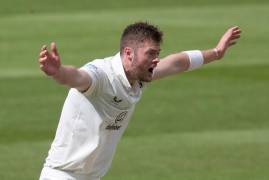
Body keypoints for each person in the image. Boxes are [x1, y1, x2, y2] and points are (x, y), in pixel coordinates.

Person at [38, 22, 241, 180]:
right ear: (128, 53)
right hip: (61, 175)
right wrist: (58, 72)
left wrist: (216, 53)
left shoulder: (139, 75)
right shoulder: (101, 75)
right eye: (151, 53)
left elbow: (177, 62)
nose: (156, 60)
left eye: (157, 53)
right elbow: (76, 77)